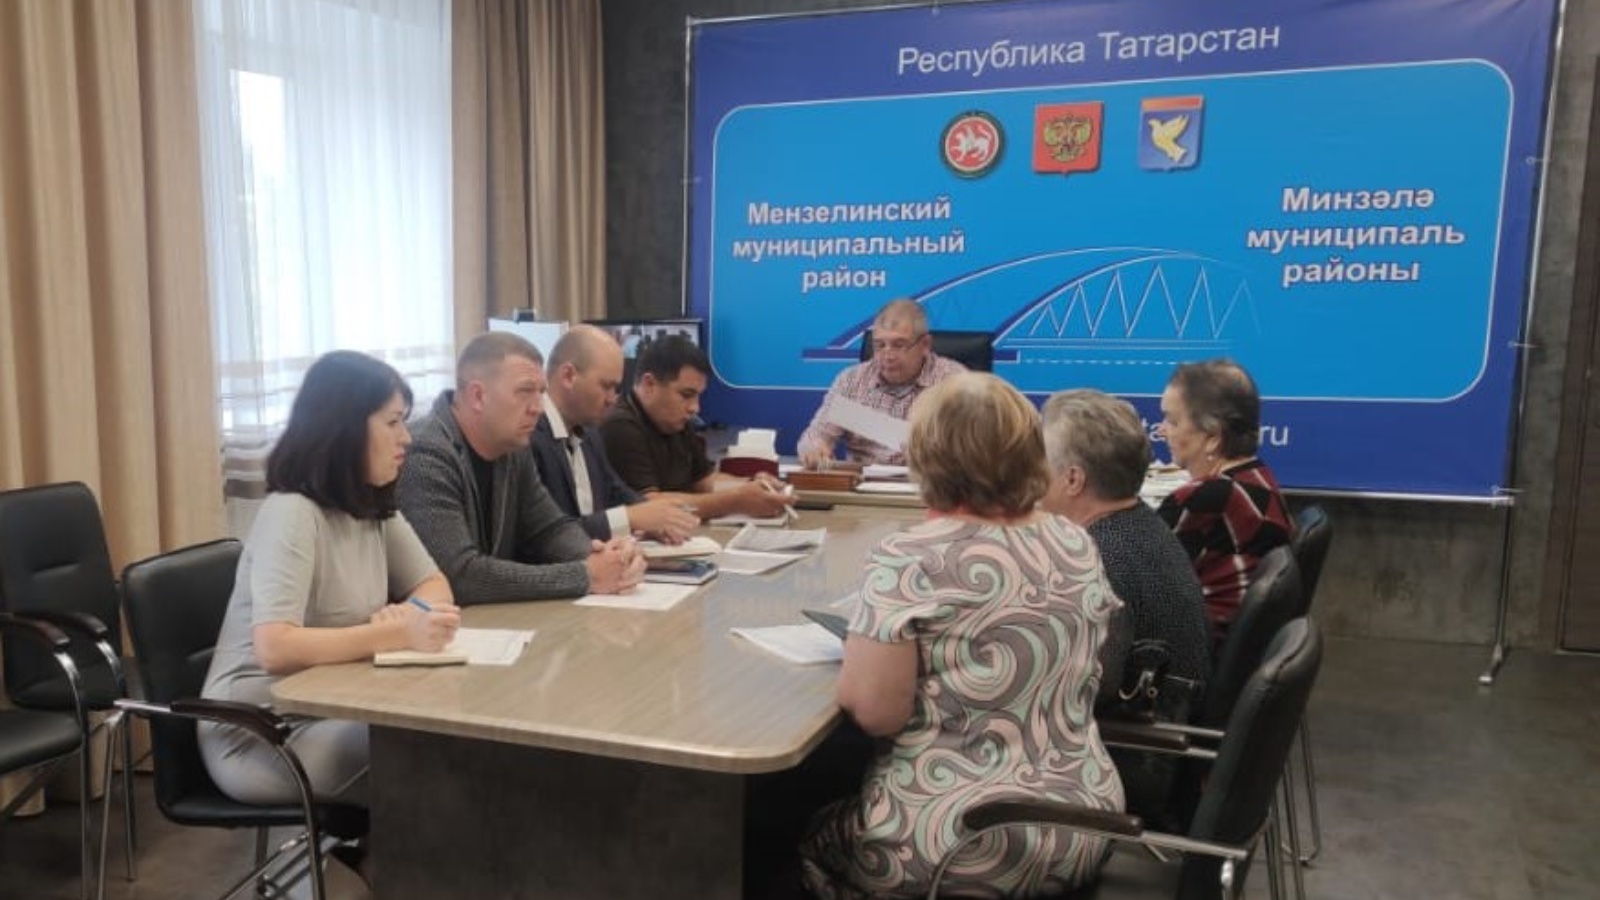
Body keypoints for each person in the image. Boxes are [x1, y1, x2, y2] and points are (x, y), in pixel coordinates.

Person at [800, 373, 1124, 900]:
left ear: (926, 457)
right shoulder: (1075, 540)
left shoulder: (909, 558)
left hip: (956, 845)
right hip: (1084, 826)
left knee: (790, 827)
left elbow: (875, 713)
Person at [200, 351, 462, 807]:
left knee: (452, 742)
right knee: (433, 756)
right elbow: (275, 647)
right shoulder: (292, 512)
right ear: (345, 428)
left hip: (340, 703)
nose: (406, 438)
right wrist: (394, 633)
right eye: (393, 422)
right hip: (263, 731)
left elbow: (435, 585)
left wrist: (409, 615)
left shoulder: (370, 502)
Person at [398, 332, 645, 606]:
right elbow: (459, 576)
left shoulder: (513, 447)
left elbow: (548, 528)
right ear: (478, 396)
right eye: (526, 392)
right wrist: (585, 575)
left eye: (541, 393)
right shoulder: (424, 454)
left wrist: (603, 556)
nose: (538, 408)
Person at [1041, 389, 1211, 699]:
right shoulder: (1144, 525)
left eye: (1040, 464)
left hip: (1142, 723)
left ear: (1073, 480)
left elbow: (1075, 692)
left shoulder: (1095, 561)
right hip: (1169, 705)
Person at [1156, 359, 1293, 648]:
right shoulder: (1259, 475)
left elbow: (1131, 587)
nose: (1161, 430)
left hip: (1192, 655)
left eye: (1173, 421)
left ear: (1212, 438)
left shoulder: (1204, 499)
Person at [530, 325, 698, 543]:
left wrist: (656, 518)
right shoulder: (528, 437)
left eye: (616, 388)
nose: (612, 399)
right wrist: (630, 518)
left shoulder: (589, 433)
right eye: (606, 386)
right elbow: (547, 536)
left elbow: (616, 491)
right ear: (569, 376)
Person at [601, 335, 794, 520]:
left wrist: (753, 486)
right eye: (686, 395)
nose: (695, 408)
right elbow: (648, 505)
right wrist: (735, 501)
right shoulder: (619, 427)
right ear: (649, 384)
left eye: (697, 396)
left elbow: (703, 481)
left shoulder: (676, 422)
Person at [797, 298, 966, 468]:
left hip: (927, 480)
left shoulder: (955, 382)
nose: (888, 355)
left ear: (925, 345)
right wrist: (816, 448)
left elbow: (970, 451)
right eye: (879, 345)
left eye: (899, 345)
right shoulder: (851, 380)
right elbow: (816, 435)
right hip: (861, 481)